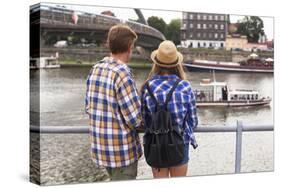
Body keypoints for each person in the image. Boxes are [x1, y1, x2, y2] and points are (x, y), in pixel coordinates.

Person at [85, 24, 143, 181]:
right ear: (130, 47)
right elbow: (135, 119)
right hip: (121, 152)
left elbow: (88, 107)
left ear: (109, 44)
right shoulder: (122, 73)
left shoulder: (95, 69)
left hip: (101, 149)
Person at [141, 40, 198, 178]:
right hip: (180, 143)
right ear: (177, 63)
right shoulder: (185, 86)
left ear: (156, 63)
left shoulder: (147, 87)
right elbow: (193, 121)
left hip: (155, 144)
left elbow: (145, 120)